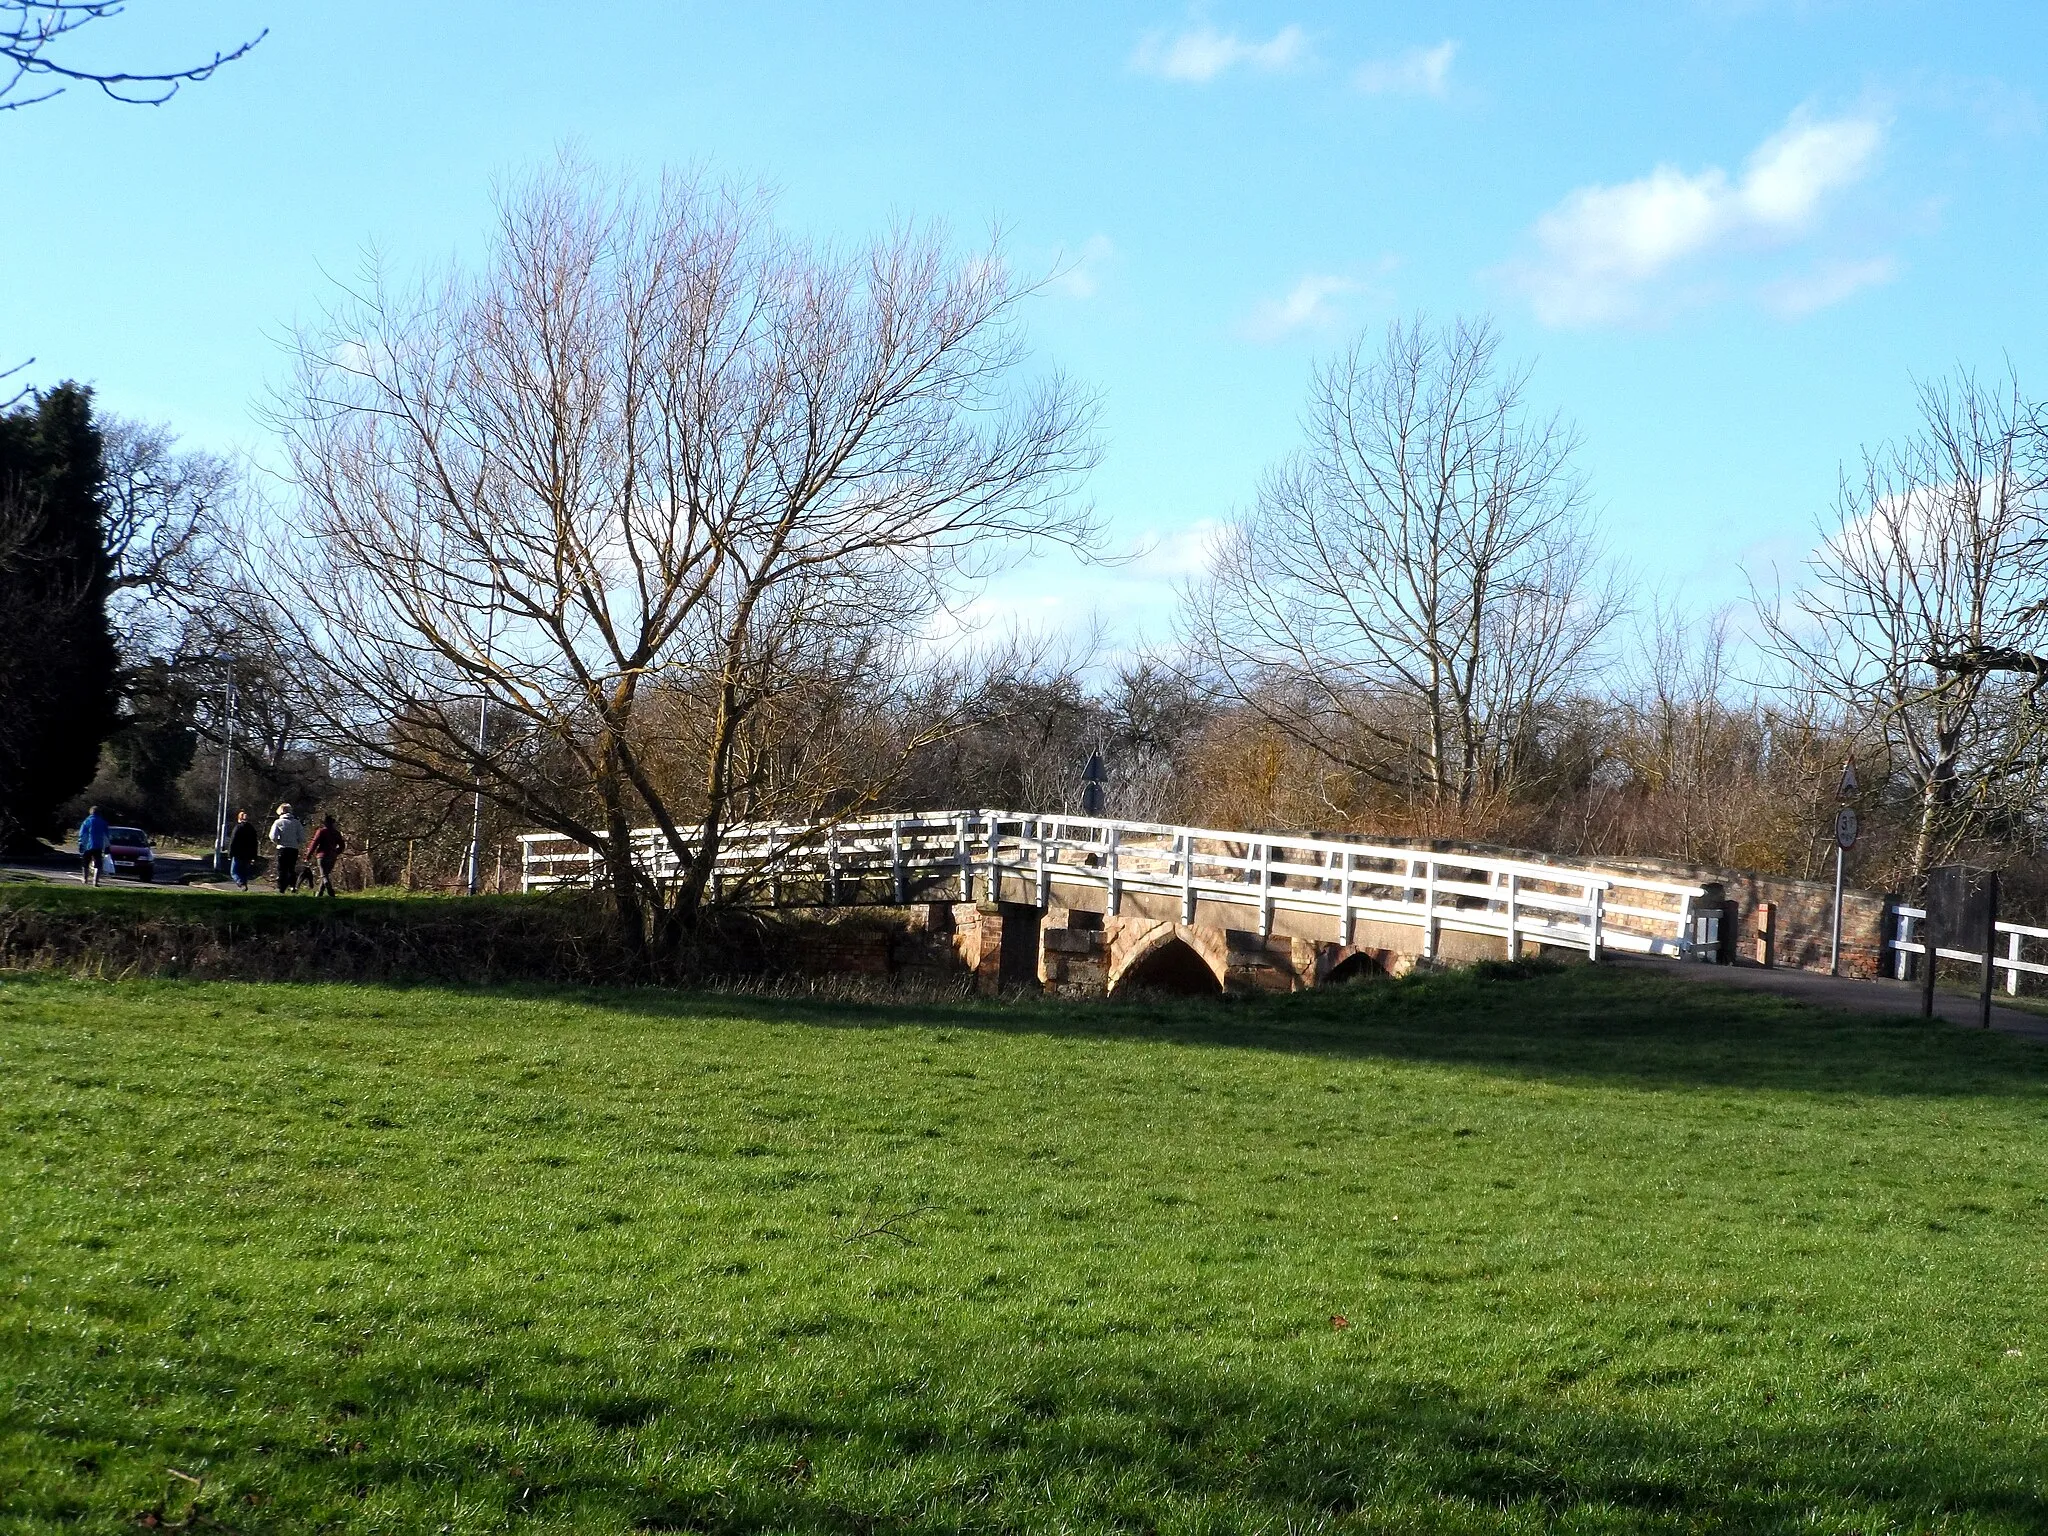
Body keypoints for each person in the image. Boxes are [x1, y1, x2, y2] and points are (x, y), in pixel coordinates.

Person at [267, 803, 306, 894]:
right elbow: (302, 838)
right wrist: (296, 842)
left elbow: (272, 836)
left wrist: (278, 841)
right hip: (293, 849)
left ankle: (281, 888)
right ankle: (293, 886)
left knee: (282, 869)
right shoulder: (296, 822)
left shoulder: (278, 822)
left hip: (282, 848)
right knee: (291, 868)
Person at [307, 814, 346, 897]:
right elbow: (342, 845)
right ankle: (319, 893)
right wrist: (336, 852)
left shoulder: (321, 831)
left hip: (322, 855)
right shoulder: (336, 833)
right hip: (332, 856)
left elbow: (314, 843)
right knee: (325, 874)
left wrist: (308, 855)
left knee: (324, 875)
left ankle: (330, 891)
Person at [226, 810, 260, 891]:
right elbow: (255, 843)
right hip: (248, 854)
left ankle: (240, 882)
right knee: (244, 871)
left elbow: (233, 841)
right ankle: (244, 884)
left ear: (239, 818)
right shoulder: (252, 828)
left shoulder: (238, 827)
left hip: (238, 853)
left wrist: (230, 853)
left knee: (234, 872)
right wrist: (254, 855)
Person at [77, 805, 110, 886]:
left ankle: (85, 879)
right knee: (98, 864)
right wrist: (107, 846)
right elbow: (106, 836)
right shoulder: (103, 822)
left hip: (87, 846)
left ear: (90, 812)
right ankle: (95, 881)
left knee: (85, 863)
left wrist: (81, 844)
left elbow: (82, 834)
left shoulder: (86, 821)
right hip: (98, 846)